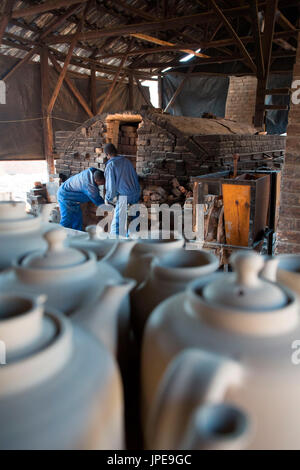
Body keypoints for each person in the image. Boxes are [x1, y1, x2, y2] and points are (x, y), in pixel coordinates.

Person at [104, 143, 140, 235]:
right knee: (135, 223)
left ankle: (114, 245)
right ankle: (132, 244)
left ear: (107, 155)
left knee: (117, 224)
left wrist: (108, 198)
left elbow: (111, 187)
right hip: (136, 193)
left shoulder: (111, 165)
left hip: (125, 196)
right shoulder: (126, 161)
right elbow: (135, 177)